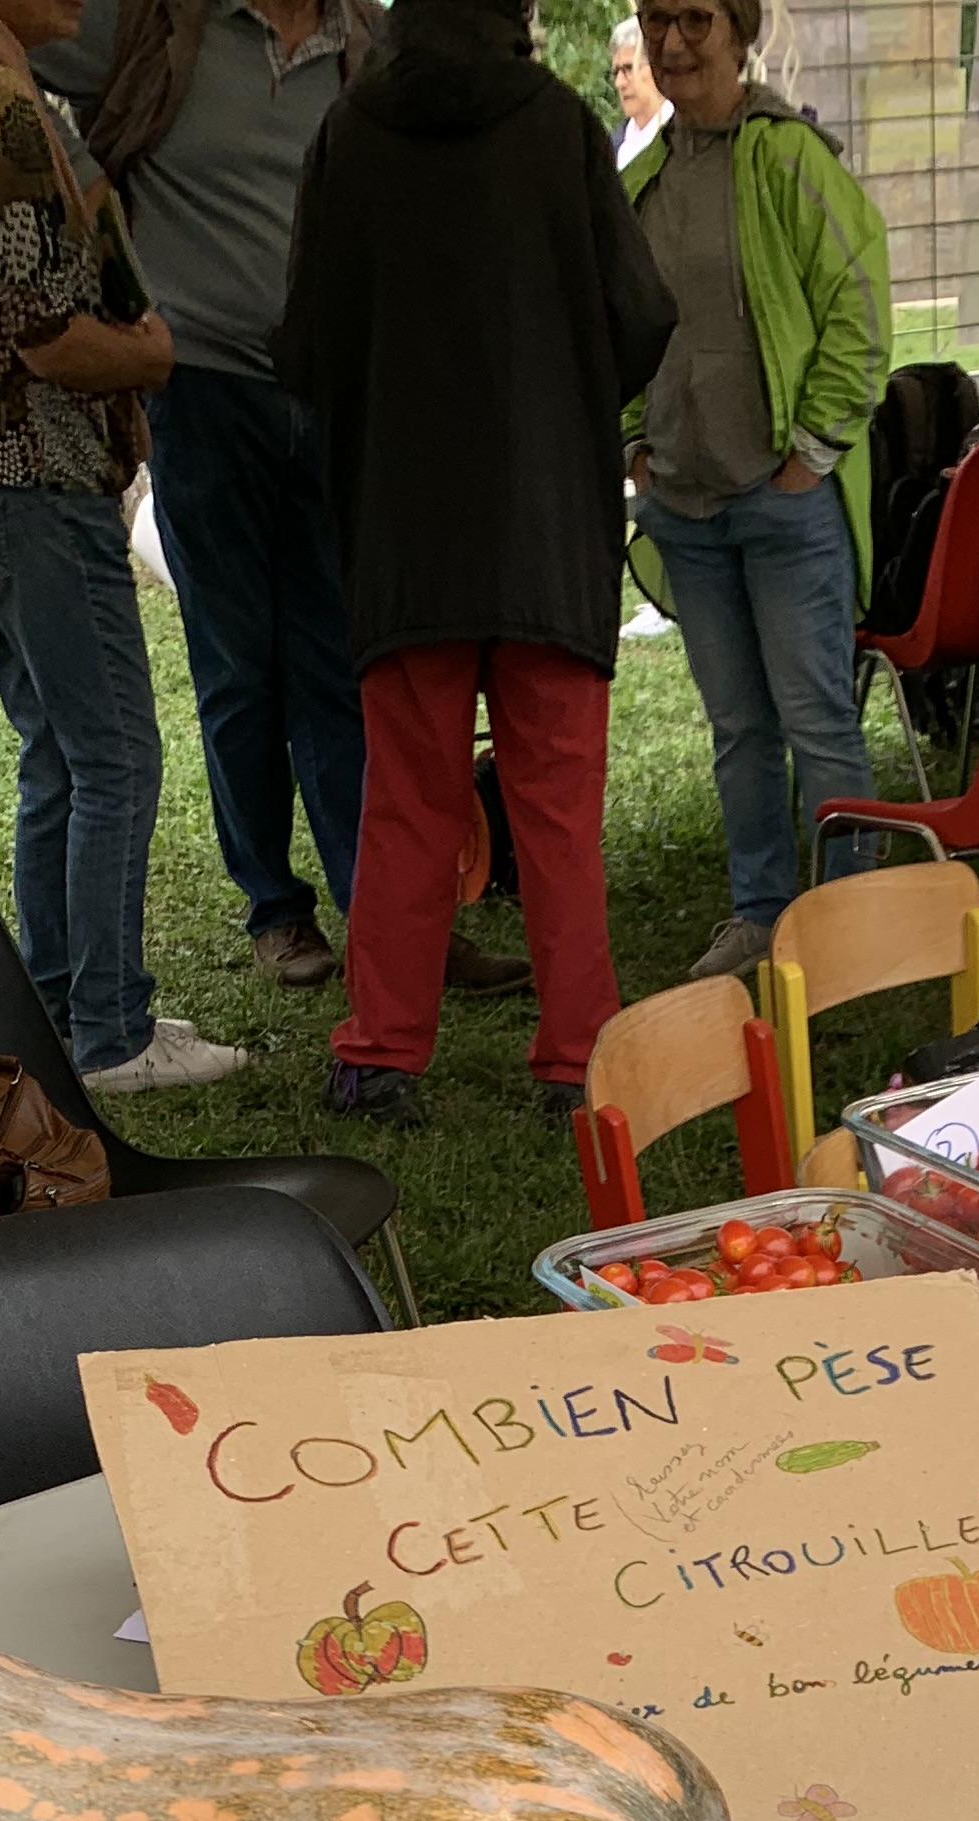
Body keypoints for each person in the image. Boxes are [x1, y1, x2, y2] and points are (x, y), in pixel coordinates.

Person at [42, 0, 521, 1001]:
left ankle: (387, 919)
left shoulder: (369, 44)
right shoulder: (158, 26)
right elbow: (10, 46)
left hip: (335, 392)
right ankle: (275, 908)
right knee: (238, 667)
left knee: (342, 664)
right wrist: (85, 188)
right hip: (201, 393)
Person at [282, 0, 671, 1125]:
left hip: (406, 535)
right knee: (558, 811)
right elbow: (643, 313)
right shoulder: (557, 127)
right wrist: (566, 391)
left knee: (408, 803)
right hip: (548, 528)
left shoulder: (348, 134)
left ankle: (380, 1056)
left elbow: (301, 343)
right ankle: (577, 1062)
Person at [0, 0, 248, 1097]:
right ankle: (112, 1033)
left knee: (56, 754)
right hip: (33, 473)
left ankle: (56, 1011)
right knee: (115, 757)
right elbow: (52, 337)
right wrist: (156, 355)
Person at [625, 0, 891, 985]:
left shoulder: (790, 158)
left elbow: (859, 312)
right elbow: (619, 330)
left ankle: (852, 933)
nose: (673, 42)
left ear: (741, 33)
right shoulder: (640, 181)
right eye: (657, 19)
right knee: (739, 731)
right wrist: (635, 444)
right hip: (684, 507)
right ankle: (760, 918)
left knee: (818, 722)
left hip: (784, 505)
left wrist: (807, 458)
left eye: (696, 18)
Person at [609, 13, 669, 166]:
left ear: (657, 67)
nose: (619, 83)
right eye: (616, 72)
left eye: (629, 69)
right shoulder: (613, 148)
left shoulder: (683, 137)